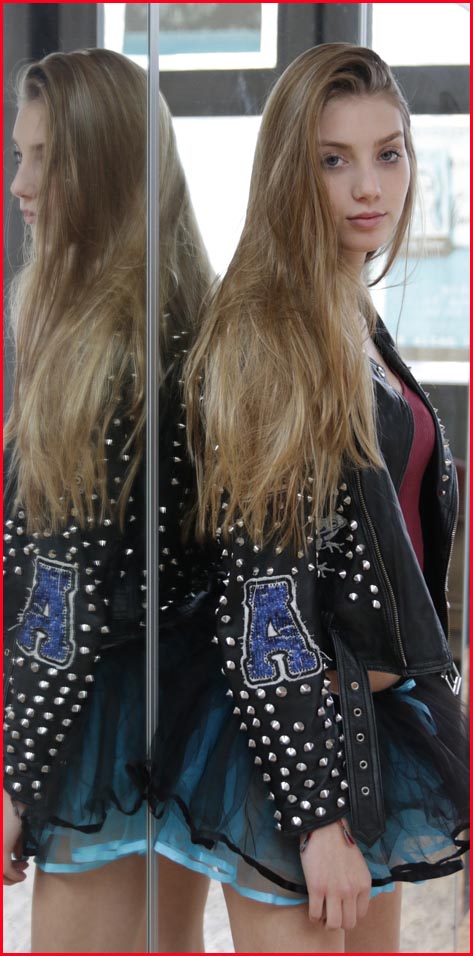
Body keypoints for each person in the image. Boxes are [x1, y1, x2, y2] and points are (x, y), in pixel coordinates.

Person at [153, 43, 469, 954]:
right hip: (292, 743)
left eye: (387, 152)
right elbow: (262, 598)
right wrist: (317, 817)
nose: (369, 185)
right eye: (333, 160)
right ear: (289, 172)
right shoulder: (266, 333)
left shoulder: (348, 310)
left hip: (373, 725)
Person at [3, 51, 210, 954]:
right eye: (19, 155)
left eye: (44, 159)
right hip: (186, 706)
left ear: (106, 167)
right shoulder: (181, 321)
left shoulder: (105, 353)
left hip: (105, 712)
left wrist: (16, 778)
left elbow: (66, 593)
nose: (20, 185)